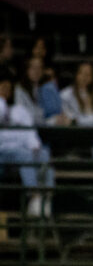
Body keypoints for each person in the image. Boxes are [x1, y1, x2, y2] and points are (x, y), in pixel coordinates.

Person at [0, 71, 53, 218]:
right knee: (25, 156)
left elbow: (29, 131)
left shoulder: (19, 110)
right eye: (2, 87)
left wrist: (35, 144)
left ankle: (47, 198)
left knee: (43, 153)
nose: (6, 91)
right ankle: (34, 196)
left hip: (20, 151)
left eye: (8, 89)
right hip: (3, 151)